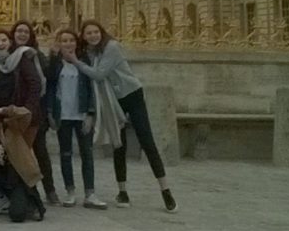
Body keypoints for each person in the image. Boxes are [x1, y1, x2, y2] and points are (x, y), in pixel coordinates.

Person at [65, 20, 177, 212]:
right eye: (89, 33)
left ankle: (165, 190)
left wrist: (76, 61)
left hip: (132, 95)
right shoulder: (90, 53)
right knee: (119, 143)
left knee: (146, 140)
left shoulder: (112, 47)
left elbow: (99, 75)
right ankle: (122, 191)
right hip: (112, 100)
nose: (93, 35)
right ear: (83, 36)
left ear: (102, 32)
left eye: (96, 32)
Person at [46, 28, 106, 209]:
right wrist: (49, 112)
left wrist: (90, 114)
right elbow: (49, 85)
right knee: (65, 154)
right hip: (62, 114)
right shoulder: (56, 64)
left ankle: (90, 193)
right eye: (64, 41)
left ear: (76, 43)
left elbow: (90, 88)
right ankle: (70, 191)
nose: (68, 44)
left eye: (71, 40)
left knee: (87, 153)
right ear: (59, 43)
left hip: (81, 114)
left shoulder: (84, 61)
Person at [11, 20, 58, 205]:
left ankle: (50, 189)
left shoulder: (36, 55)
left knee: (40, 151)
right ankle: (26, 189)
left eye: (25, 32)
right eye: (18, 31)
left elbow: (50, 77)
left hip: (35, 110)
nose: (22, 34)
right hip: (15, 110)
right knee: (17, 152)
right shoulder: (10, 54)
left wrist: (54, 55)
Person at [0, 104, 46, 223]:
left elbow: (26, 114)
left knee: (17, 215)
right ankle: (4, 198)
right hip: (2, 179)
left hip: (19, 177)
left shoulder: (10, 127)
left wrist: (1, 110)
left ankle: (29, 202)